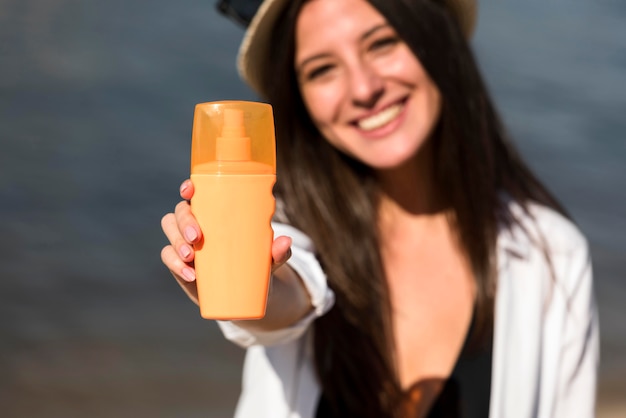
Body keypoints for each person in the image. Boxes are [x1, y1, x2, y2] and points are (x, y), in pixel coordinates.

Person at [161, 0, 599, 416]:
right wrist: (245, 284)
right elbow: (289, 296)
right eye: (323, 70)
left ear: (436, 39)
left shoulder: (553, 257)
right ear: (302, 100)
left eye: (382, 43)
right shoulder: (287, 224)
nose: (364, 88)